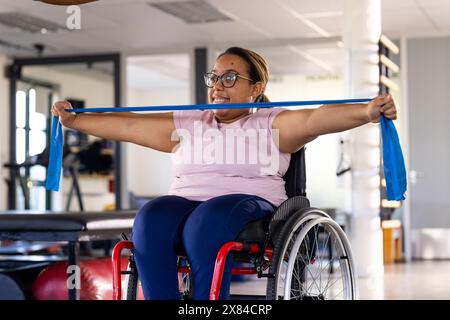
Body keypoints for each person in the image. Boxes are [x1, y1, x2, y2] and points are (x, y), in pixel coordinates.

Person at [52, 46, 397, 300]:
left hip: (248, 205)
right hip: (186, 203)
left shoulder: (271, 123)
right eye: (214, 77)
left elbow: (315, 118)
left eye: (230, 78)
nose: (218, 85)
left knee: (208, 220)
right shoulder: (190, 122)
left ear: (255, 88)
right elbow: (128, 124)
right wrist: (75, 120)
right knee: (150, 216)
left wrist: (366, 111)